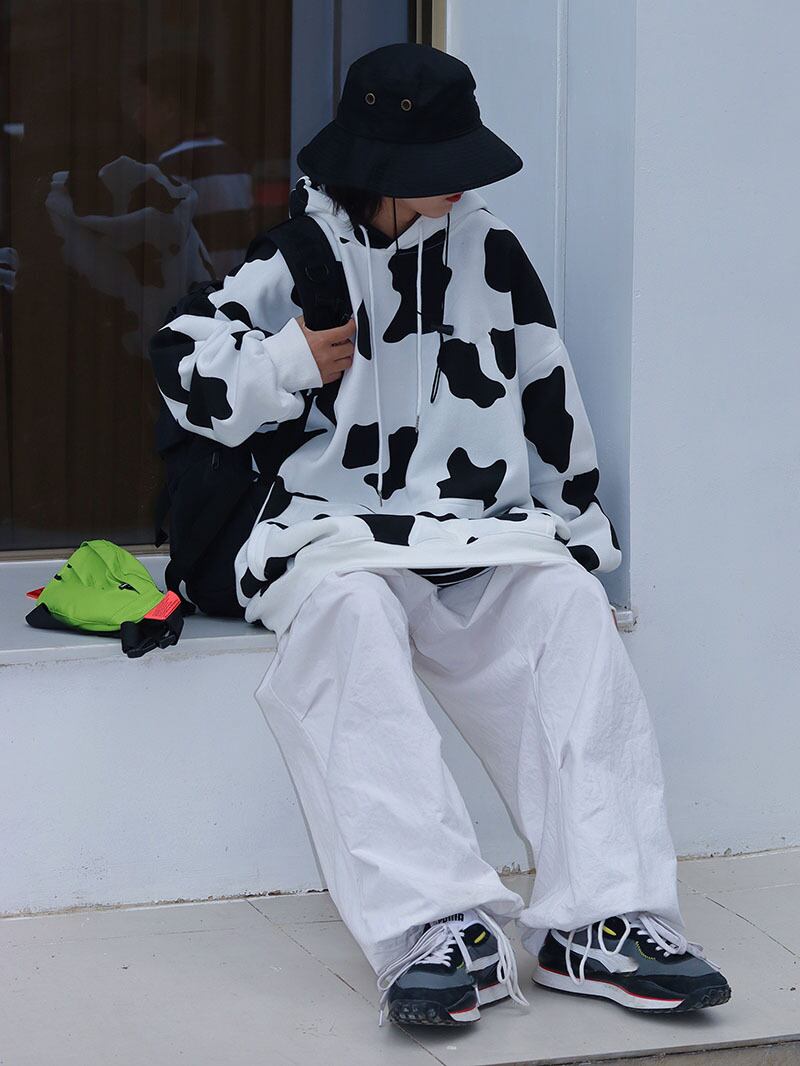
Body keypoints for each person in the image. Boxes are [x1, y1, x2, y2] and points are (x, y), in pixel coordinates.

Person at [149, 42, 731, 1029]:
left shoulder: (490, 252)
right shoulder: (300, 255)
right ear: (379, 167)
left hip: (472, 529)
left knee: (563, 600)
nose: (461, 182)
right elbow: (182, 367)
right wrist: (289, 362)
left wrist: (574, 528)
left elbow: (546, 391)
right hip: (328, 532)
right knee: (347, 619)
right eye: (437, 164)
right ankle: (430, 925)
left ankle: (602, 916)